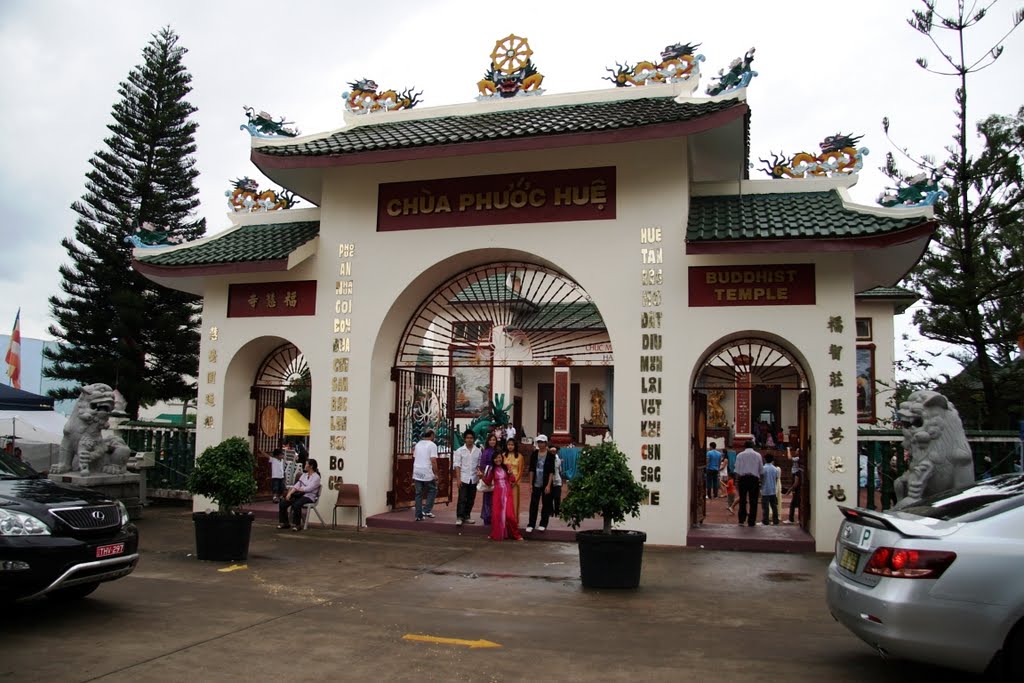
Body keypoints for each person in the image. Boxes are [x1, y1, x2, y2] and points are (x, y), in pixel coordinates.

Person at [481, 452, 523, 541]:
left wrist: (511, 474)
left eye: (499, 457)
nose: (498, 460)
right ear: (493, 460)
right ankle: (495, 534)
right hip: (497, 494)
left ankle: (517, 535)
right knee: (496, 515)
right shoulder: (492, 470)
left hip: (507, 493)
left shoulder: (506, 467)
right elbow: (488, 482)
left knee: (509, 516)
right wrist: (481, 476)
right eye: (495, 458)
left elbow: (513, 480)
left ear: (502, 458)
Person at [278, 458, 322, 531]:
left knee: (296, 504)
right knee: (283, 503)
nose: (305, 465)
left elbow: (309, 488)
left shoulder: (316, 477)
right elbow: (297, 485)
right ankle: (284, 522)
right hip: (299, 495)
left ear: (311, 466)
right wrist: (290, 493)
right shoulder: (304, 475)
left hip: (309, 496)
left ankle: (297, 524)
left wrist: (299, 489)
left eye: (306, 464)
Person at [526, 434, 555, 533]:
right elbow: (531, 470)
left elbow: (551, 471)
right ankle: (531, 524)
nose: (540, 444)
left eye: (542, 442)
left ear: (546, 443)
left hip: (546, 483)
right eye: (539, 442)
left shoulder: (550, 455)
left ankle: (543, 523)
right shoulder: (534, 454)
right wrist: (530, 484)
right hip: (536, 483)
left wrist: (548, 485)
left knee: (545, 504)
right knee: (534, 504)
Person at [453, 430, 481, 527]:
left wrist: (479, 475)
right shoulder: (460, 451)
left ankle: (467, 516)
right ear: (464, 439)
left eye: (471, 438)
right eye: (467, 438)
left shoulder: (478, 451)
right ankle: (459, 517)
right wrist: (458, 479)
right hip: (464, 478)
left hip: (473, 478)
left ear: (474, 439)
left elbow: (479, 465)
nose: (469, 440)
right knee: (462, 498)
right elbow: (457, 465)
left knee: (471, 499)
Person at [412, 428, 439, 521]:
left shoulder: (418, 444)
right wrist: (436, 473)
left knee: (418, 493)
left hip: (417, 470)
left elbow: (415, 457)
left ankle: (418, 515)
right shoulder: (432, 445)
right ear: (431, 435)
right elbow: (433, 460)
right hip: (427, 471)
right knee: (433, 489)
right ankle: (427, 510)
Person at [735, 440, 763, 527]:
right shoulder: (758, 455)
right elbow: (761, 470)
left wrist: (737, 481)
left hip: (743, 479)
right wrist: (760, 480)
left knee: (742, 500)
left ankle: (741, 519)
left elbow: (737, 469)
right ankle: (751, 521)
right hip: (754, 479)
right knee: (753, 501)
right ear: (753, 446)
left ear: (745, 446)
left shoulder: (740, 455)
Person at [503, 437, 524, 522]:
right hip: (505, 482)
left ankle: (515, 521)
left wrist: (515, 482)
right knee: (505, 501)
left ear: (515, 446)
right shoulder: (503, 455)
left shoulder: (520, 457)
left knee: (515, 502)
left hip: (515, 483)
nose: (510, 446)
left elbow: (520, 470)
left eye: (512, 445)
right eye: (509, 444)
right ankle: (505, 520)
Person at [479, 432, 499, 524]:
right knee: (488, 497)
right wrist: (484, 477)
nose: (492, 441)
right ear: (488, 441)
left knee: (496, 498)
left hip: (497, 475)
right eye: (490, 440)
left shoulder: (498, 450)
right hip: (488, 475)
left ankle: (495, 517)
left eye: (494, 440)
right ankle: (487, 517)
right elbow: (482, 466)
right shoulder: (486, 452)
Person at [760, 454, 781, 525]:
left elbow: (761, 478)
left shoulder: (763, 468)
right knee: (774, 506)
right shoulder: (775, 469)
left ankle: (766, 520)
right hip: (773, 489)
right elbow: (776, 478)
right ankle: (776, 520)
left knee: (765, 507)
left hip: (765, 489)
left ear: (765, 459)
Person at [784, 450, 802, 524]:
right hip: (797, 489)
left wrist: (790, 490)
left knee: (793, 504)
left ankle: (791, 519)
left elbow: (796, 483)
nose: (796, 451)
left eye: (797, 451)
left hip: (797, 489)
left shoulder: (797, 470)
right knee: (797, 504)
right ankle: (798, 519)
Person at [551, 446, 564, 515]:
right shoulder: (547, 460)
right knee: (550, 497)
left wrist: (561, 480)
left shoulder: (558, 460)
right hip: (549, 481)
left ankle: (557, 511)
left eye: (554, 451)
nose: (553, 453)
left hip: (557, 480)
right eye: (551, 451)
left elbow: (560, 471)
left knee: (557, 496)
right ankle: (550, 511)